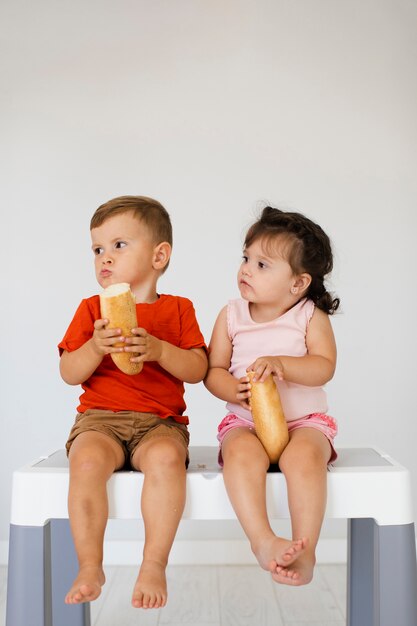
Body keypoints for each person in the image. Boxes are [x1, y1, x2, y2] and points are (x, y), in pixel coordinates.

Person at [59, 195, 208, 609]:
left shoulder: (179, 309)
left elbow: (197, 368)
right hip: (99, 421)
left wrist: (160, 350)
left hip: (159, 423)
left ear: (160, 255)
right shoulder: (91, 310)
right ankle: (90, 563)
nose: (105, 257)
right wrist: (93, 348)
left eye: (119, 245)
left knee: (164, 460)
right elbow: (69, 372)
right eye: (97, 249)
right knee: (85, 462)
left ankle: (154, 562)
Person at [204, 206, 340, 586]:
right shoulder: (231, 315)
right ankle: (261, 540)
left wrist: (283, 364)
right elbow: (212, 371)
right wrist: (232, 389)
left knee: (304, 457)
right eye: (246, 258)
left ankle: (307, 549)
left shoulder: (309, 315)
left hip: (303, 423)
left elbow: (324, 366)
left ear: (298, 283)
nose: (246, 269)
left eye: (262, 265)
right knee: (240, 454)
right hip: (247, 423)